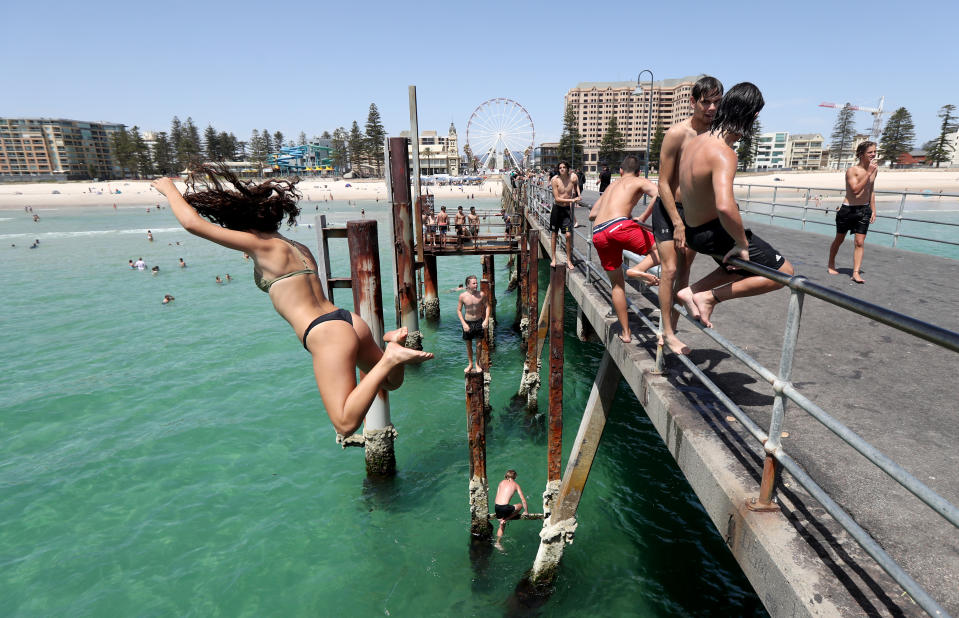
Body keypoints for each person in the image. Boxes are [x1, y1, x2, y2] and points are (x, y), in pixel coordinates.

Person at [152, 167, 433, 438]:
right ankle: (393, 348)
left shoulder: (261, 246)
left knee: (345, 423)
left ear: (243, 223)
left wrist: (168, 189)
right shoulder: (299, 247)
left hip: (325, 333)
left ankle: (392, 357)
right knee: (391, 383)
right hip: (348, 320)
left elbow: (193, 224)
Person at [675, 83, 794, 329]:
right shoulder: (723, 152)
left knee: (740, 268)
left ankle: (692, 291)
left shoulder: (695, 142)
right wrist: (741, 243)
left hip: (693, 231)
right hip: (713, 233)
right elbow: (725, 206)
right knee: (784, 273)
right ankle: (709, 297)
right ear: (752, 116)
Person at [654, 75, 724, 355]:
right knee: (669, 269)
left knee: (684, 273)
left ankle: (674, 328)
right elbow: (662, 182)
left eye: (716, 103)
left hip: (695, 212)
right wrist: (677, 222)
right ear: (693, 101)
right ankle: (667, 332)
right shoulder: (677, 134)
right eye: (705, 102)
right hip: (669, 208)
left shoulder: (717, 134)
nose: (710, 109)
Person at [589, 156, 660, 343]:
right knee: (665, 249)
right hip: (618, 227)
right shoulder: (639, 181)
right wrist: (643, 216)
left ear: (620, 171)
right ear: (638, 172)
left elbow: (592, 214)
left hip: (598, 232)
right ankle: (638, 269)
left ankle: (626, 333)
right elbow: (660, 194)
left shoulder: (611, 187)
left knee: (617, 285)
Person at [827, 141, 878, 284]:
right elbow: (855, 190)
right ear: (861, 154)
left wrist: (873, 209)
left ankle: (856, 272)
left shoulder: (874, 170)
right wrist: (868, 173)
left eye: (874, 151)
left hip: (864, 210)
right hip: (847, 210)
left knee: (859, 242)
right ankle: (831, 263)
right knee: (839, 239)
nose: (873, 154)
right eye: (870, 152)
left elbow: (870, 190)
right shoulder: (852, 171)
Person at [456, 275, 490, 373]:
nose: (476, 285)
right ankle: (470, 364)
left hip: (479, 321)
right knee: (468, 345)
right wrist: (463, 324)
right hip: (467, 322)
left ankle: (477, 364)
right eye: (474, 283)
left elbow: (488, 307)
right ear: (468, 285)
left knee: (479, 344)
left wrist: (486, 319)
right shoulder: (462, 296)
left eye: (476, 283)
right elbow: (458, 310)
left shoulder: (481, 294)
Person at [549, 161, 578, 269]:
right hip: (557, 209)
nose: (562, 169)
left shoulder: (572, 178)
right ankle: (554, 258)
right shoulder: (555, 180)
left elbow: (576, 185)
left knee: (568, 235)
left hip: (566, 210)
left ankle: (569, 260)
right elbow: (557, 198)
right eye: (560, 167)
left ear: (567, 169)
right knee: (554, 234)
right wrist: (572, 199)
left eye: (564, 167)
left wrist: (578, 196)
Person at [494, 469, 528, 545]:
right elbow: (523, 500)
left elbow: (497, 496)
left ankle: (498, 543)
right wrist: (526, 511)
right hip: (505, 507)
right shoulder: (516, 485)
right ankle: (506, 519)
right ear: (515, 477)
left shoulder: (501, 483)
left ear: (506, 475)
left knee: (501, 526)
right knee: (520, 505)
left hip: (497, 506)